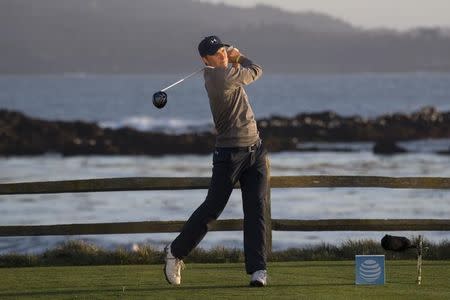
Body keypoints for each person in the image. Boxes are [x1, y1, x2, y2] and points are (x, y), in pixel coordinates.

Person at [163, 35, 269, 287]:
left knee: (257, 210)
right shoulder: (220, 77)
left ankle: (258, 270)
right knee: (212, 209)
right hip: (229, 155)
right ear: (205, 60)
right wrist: (239, 56)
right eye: (216, 53)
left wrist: (231, 59)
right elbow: (257, 70)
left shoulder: (223, 72)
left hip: (255, 151)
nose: (222, 54)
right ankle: (175, 252)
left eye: (223, 49)